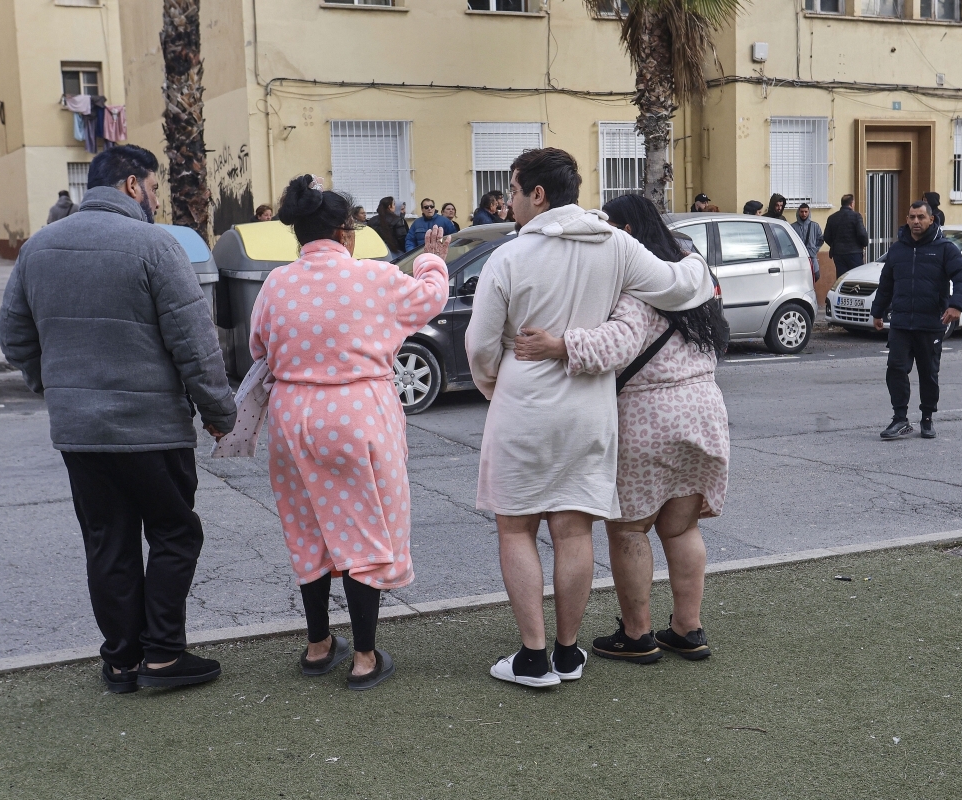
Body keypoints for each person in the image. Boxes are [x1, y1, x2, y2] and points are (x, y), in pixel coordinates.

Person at [464, 148, 713, 688]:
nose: (509, 201)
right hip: (590, 406)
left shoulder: (509, 256)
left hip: (525, 403)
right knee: (574, 528)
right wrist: (697, 260)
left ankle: (533, 658)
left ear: (538, 195)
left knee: (516, 527)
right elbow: (679, 286)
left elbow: (480, 345)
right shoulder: (615, 244)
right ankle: (567, 652)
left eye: (513, 190)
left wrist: (496, 383)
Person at [0, 144, 237, 694]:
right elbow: (195, 344)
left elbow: (14, 338)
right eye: (153, 187)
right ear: (132, 184)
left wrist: (57, 388)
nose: (155, 198)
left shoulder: (37, 248)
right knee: (175, 534)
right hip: (152, 430)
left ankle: (123, 662)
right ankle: (164, 657)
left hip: (80, 435)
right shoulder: (155, 245)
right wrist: (219, 412)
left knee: (108, 543)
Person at [249, 175, 450, 690]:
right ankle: (364, 657)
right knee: (365, 526)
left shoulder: (276, 283)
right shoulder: (374, 277)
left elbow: (258, 348)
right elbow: (431, 298)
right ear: (345, 232)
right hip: (356, 410)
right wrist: (431, 259)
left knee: (306, 526)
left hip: (291, 414)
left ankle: (318, 646)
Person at [512, 193, 729, 664]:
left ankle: (637, 634)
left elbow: (618, 344)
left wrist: (560, 346)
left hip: (647, 417)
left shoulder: (636, 286)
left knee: (630, 529)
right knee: (682, 527)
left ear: (627, 233)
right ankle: (687, 629)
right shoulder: (693, 277)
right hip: (705, 409)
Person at [870, 201, 962, 440]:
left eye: (920, 217)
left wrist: (956, 305)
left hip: (930, 323)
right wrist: (878, 311)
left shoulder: (945, 248)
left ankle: (927, 418)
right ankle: (900, 419)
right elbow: (886, 283)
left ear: (931, 220)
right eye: (912, 217)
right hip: (901, 323)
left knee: (928, 373)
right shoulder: (898, 249)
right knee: (896, 368)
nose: (916, 221)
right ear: (907, 219)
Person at [823, 194, 870, 278]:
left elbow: (826, 236)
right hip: (854, 253)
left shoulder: (832, 218)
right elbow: (862, 234)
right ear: (851, 204)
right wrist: (863, 244)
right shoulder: (856, 216)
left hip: (838, 254)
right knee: (857, 277)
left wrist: (835, 245)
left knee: (842, 278)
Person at [791, 202, 823, 282]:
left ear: (809, 212)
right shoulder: (793, 227)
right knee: (800, 278)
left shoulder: (815, 226)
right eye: (802, 212)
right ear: (798, 212)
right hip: (799, 258)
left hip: (812, 257)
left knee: (816, 275)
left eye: (806, 212)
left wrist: (815, 249)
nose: (804, 214)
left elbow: (821, 239)